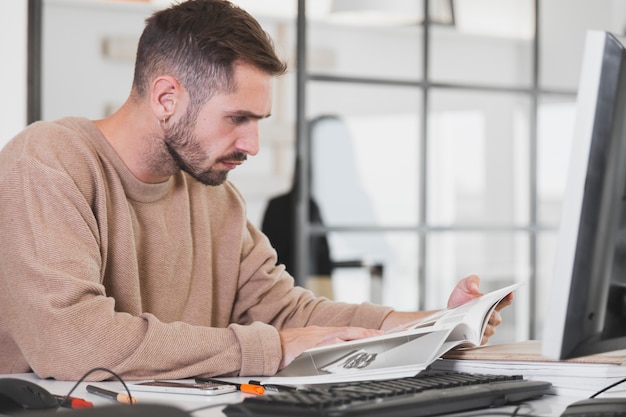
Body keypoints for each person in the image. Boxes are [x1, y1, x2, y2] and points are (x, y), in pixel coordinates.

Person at [0, 0, 512, 381]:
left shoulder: (215, 196)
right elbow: (71, 342)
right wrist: (271, 349)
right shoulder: (49, 162)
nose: (253, 144)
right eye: (237, 118)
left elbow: (287, 313)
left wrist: (437, 323)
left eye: (259, 120)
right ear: (165, 98)